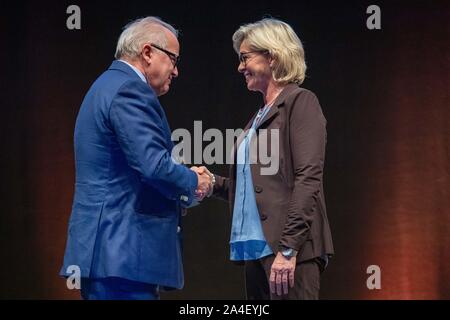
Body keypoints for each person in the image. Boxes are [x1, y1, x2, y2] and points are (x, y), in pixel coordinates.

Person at [60, 16, 212, 300]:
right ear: (147, 52)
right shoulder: (130, 90)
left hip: (108, 255)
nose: (176, 71)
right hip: (122, 254)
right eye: (173, 60)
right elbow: (153, 166)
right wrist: (195, 181)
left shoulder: (106, 85)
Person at [205, 18, 334, 300]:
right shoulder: (259, 117)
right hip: (256, 251)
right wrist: (212, 182)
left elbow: (308, 178)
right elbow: (253, 189)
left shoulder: (301, 102)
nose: (240, 67)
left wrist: (288, 249)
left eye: (245, 57)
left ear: (272, 56)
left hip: (288, 252)